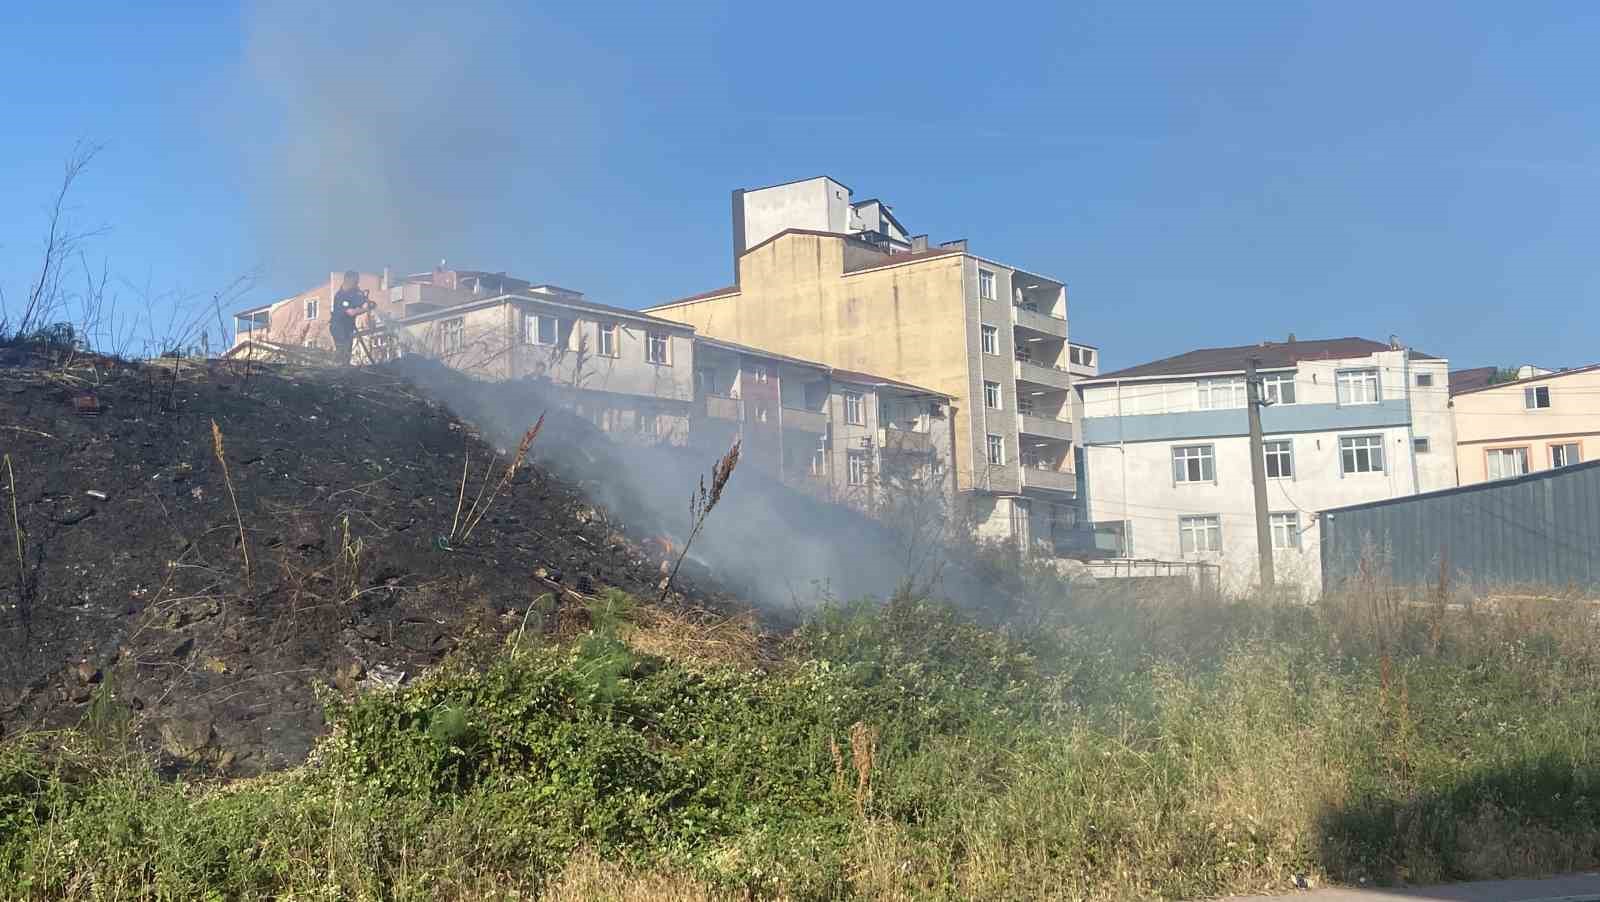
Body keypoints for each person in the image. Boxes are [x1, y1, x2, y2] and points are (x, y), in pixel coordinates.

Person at [330, 271, 375, 366]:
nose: (357, 284)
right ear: (348, 280)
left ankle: (344, 368)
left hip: (348, 328)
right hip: (339, 327)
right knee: (343, 350)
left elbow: (361, 301)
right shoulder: (340, 296)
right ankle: (338, 368)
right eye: (355, 282)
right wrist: (365, 309)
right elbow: (351, 312)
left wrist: (368, 303)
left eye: (357, 282)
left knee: (347, 352)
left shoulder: (354, 293)